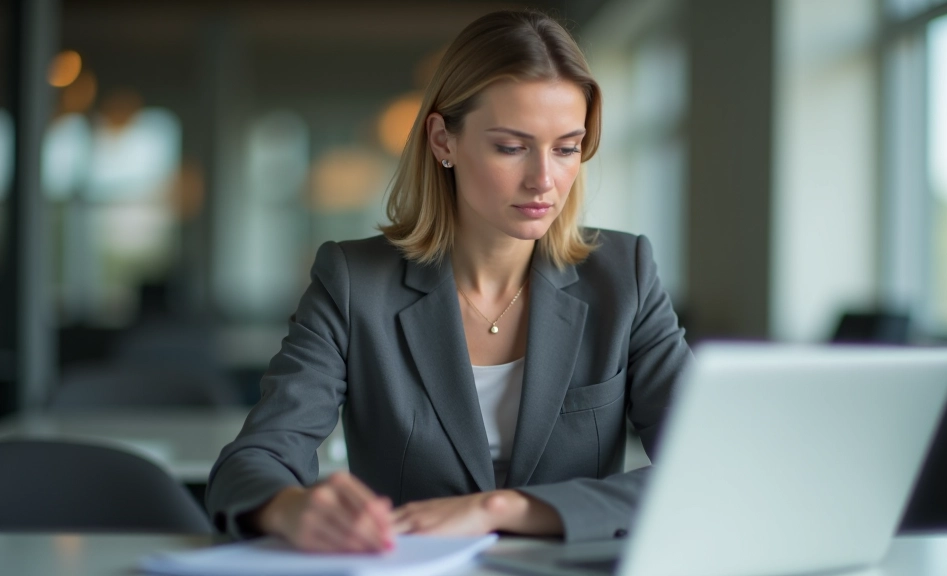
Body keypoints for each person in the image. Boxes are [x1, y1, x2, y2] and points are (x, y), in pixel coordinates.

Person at [206, 9, 691, 553]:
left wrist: (504, 509)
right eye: (511, 147)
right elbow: (255, 460)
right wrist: (290, 507)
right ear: (443, 141)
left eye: (566, 147)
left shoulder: (623, 275)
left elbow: (710, 465)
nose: (544, 180)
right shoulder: (353, 283)